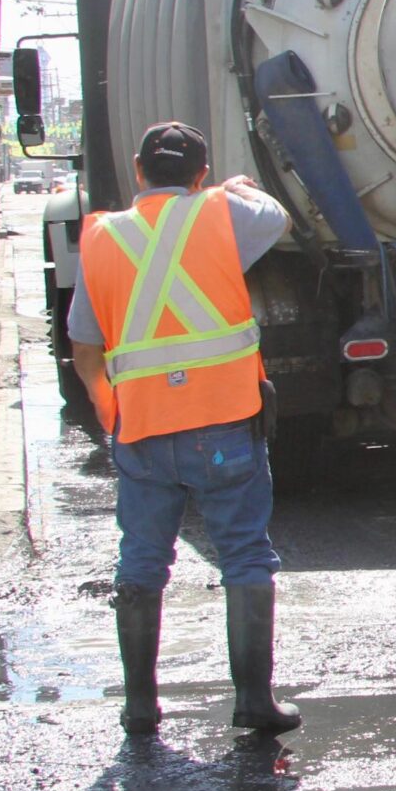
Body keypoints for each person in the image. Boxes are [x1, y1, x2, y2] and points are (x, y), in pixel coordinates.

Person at [67, 121, 300, 736]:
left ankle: (140, 707)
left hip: (142, 429)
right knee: (245, 554)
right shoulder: (223, 213)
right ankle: (254, 701)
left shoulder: (102, 237)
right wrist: (236, 186)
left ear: (138, 172)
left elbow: (85, 344)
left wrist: (103, 403)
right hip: (225, 423)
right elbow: (275, 215)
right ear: (200, 177)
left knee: (142, 561)